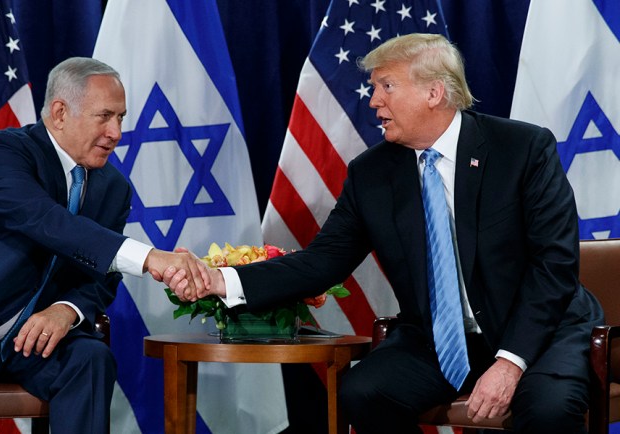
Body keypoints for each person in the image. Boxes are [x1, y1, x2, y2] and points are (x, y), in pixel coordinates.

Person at [165, 33, 604, 434]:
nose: (374, 101)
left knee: (549, 410)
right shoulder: (372, 174)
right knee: (363, 391)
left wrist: (509, 363)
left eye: (386, 86)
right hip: (439, 344)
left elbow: (554, 267)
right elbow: (323, 262)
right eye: (374, 87)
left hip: (538, 335)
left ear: (434, 92)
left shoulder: (523, 150)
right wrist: (224, 281)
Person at [0, 57, 208, 434]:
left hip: (35, 341)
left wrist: (67, 310)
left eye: (121, 117)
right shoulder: (2, 152)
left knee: (91, 357)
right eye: (105, 116)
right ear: (59, 113)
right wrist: (150, 257)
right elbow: (47, 222)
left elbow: (102, 276)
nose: (116, 132)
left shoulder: (113, 188)